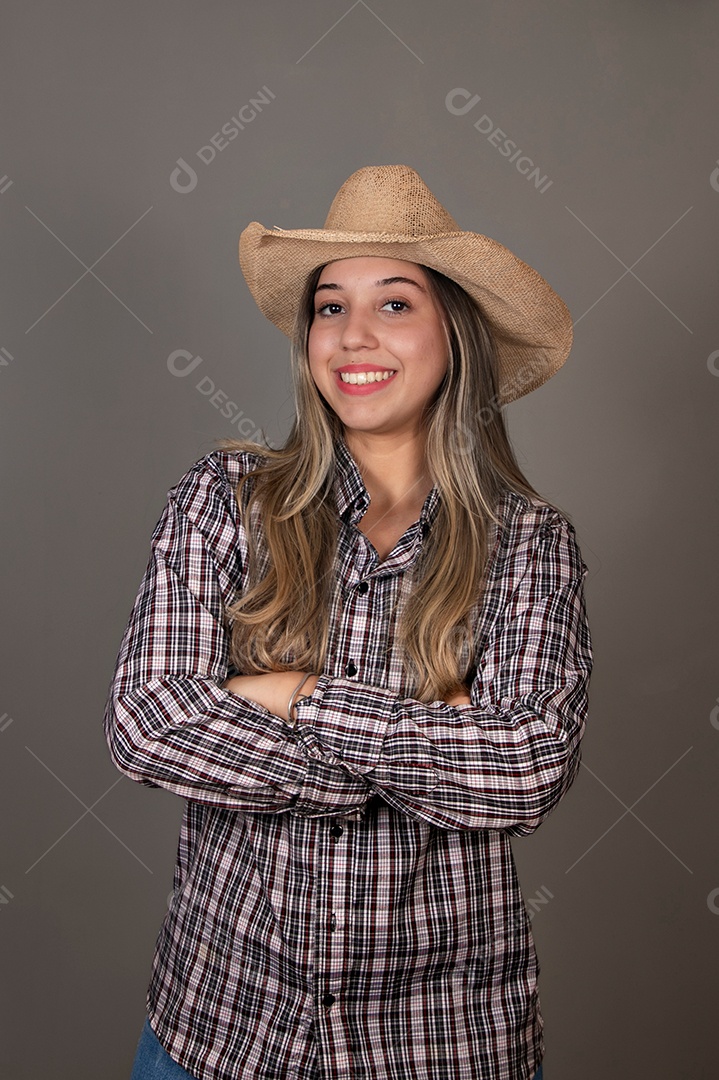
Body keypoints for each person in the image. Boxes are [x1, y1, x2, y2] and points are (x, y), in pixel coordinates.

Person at [105, 164, 592, 1080]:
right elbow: (148, 725)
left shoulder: (529, 545)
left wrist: (293, 695)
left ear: (459, 332)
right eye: (330, 308)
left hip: (441, 1045)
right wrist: (425, 749)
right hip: (219, 1030)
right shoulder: (225, 499)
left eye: (394, 304)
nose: (353, 336)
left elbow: (520, 772)